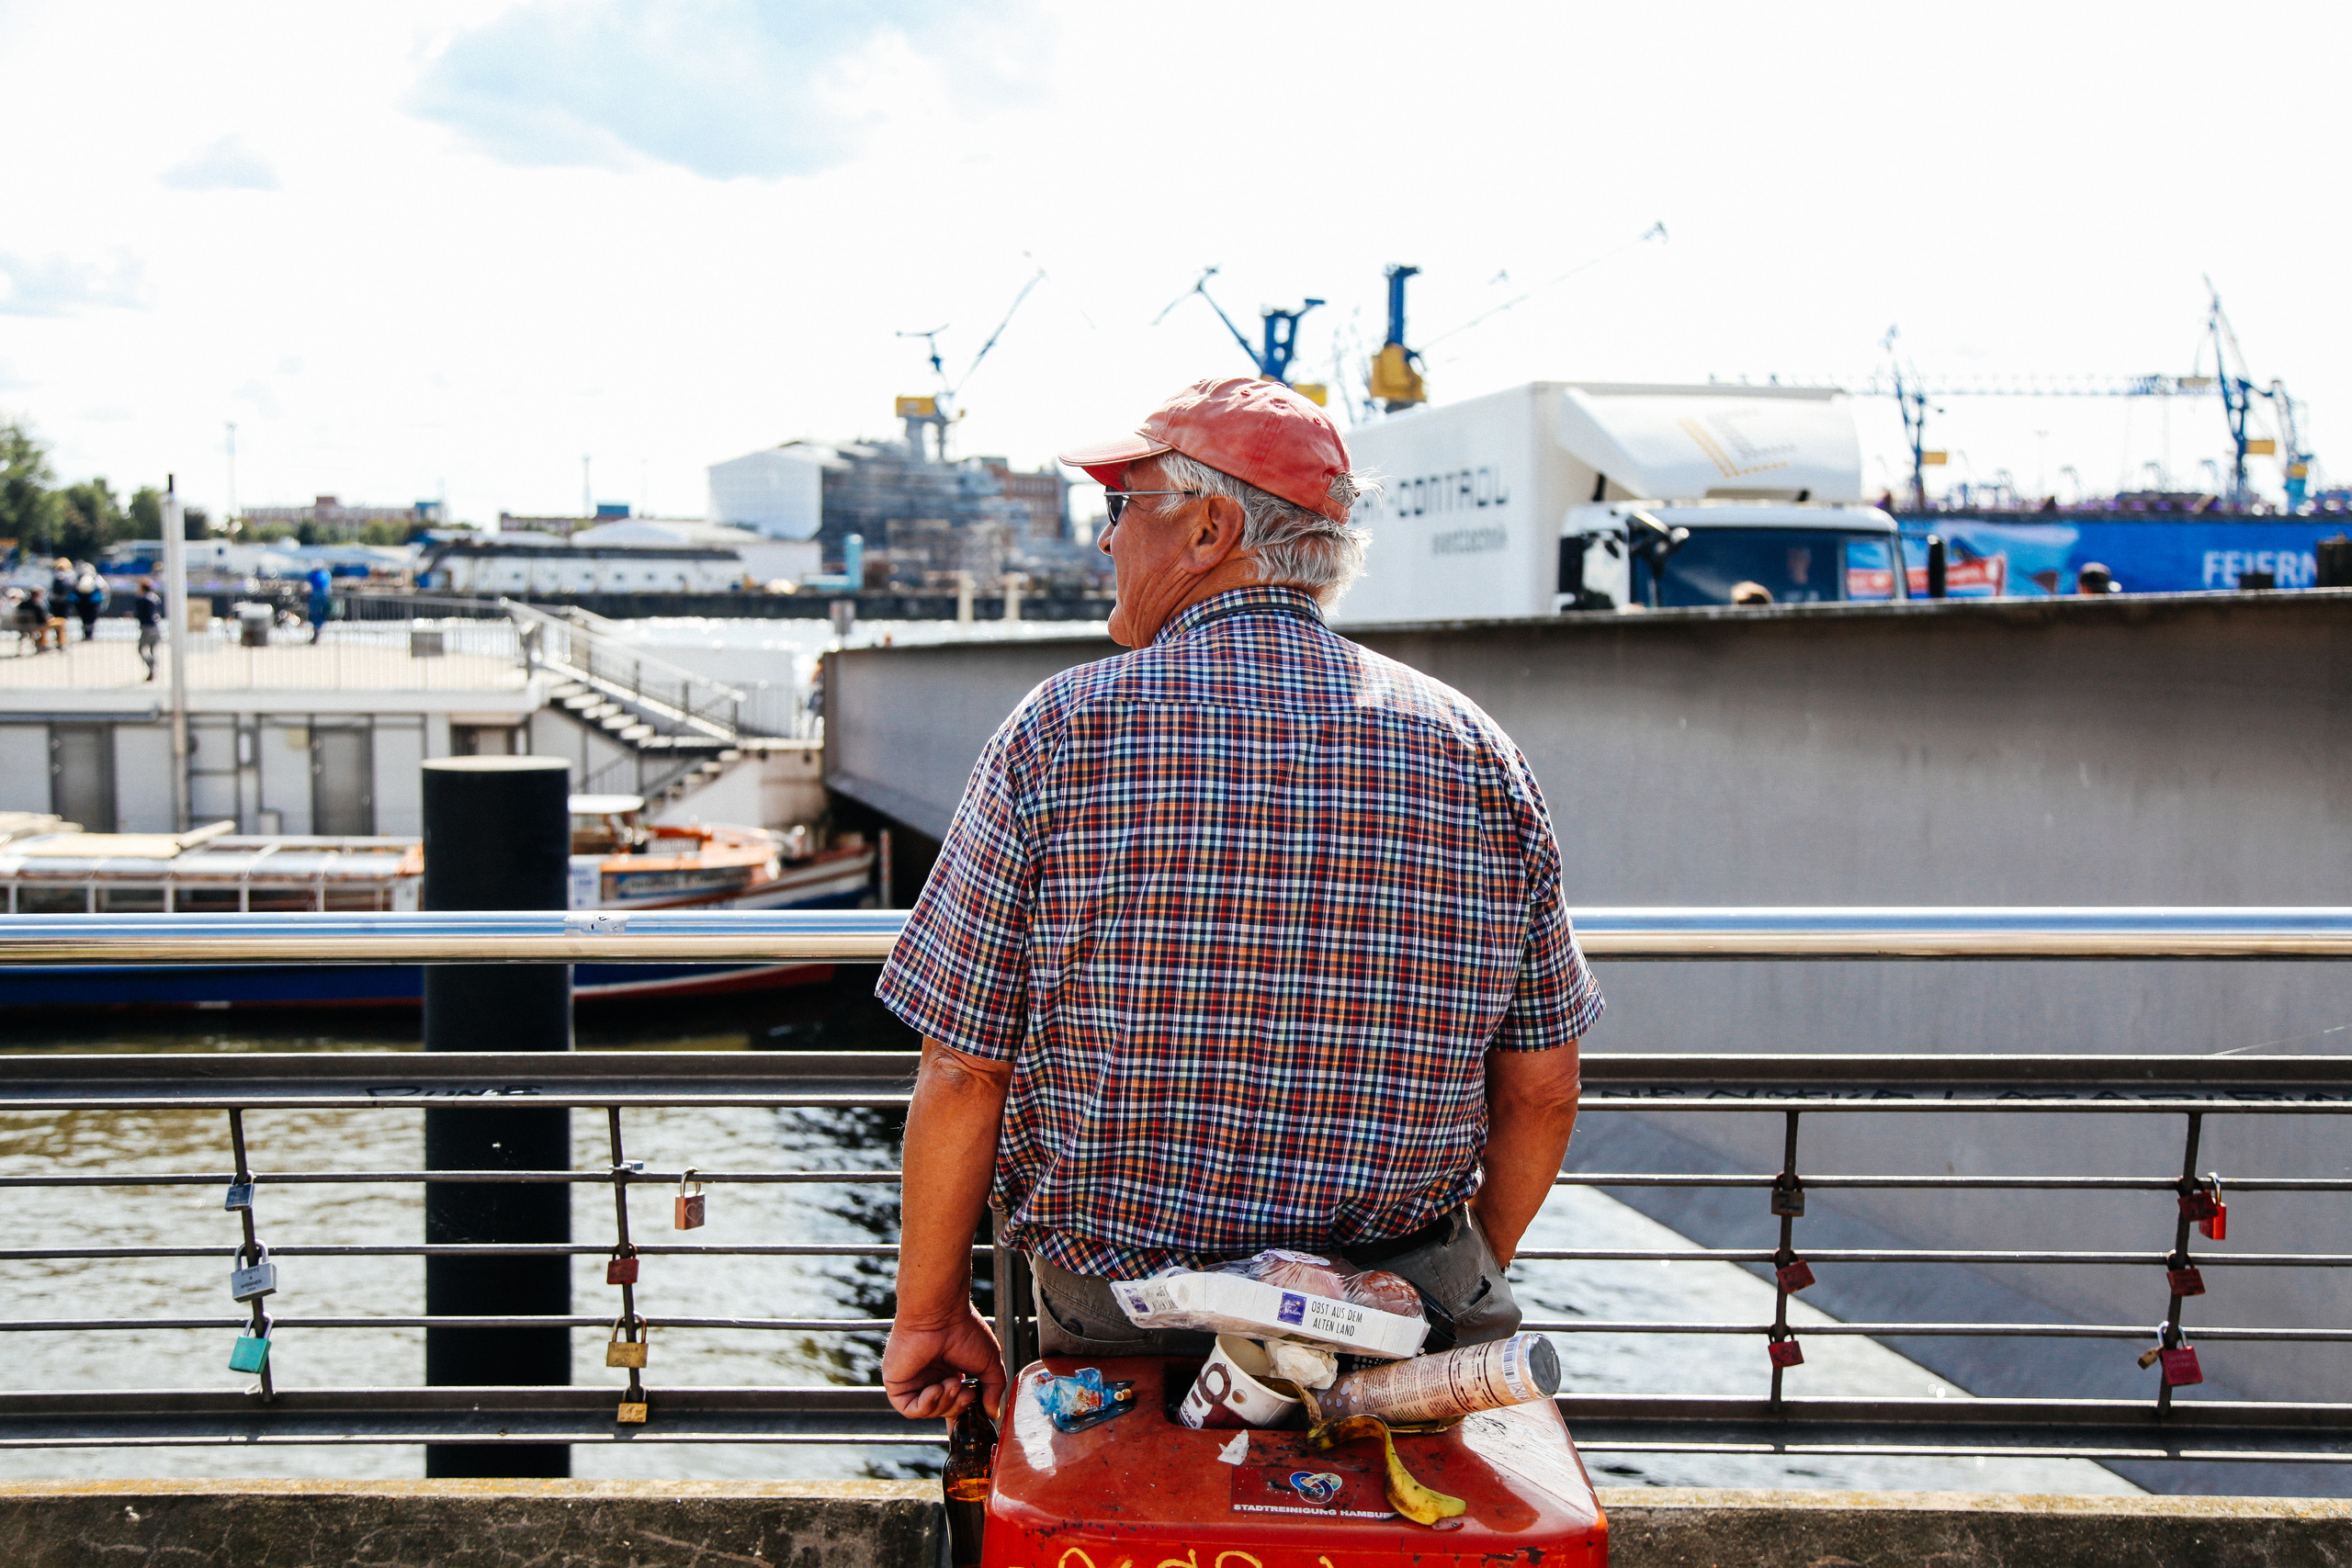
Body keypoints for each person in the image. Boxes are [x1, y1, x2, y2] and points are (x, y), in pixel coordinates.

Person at [876, 377, 1604, 1420]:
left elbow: (963, 1068)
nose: (1105, 538)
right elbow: (1541, 1090)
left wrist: (929, 1313)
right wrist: (1452, 1277)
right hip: (1399, 1313)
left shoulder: (1062, 731)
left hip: (1126, 1321)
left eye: (1122, 505)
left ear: (1210, 528)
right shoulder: (1474, 748)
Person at [132, 578, 164, 681]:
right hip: (156, 627)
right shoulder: (155, 598)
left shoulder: (142, 599)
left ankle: (151, 667)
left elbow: (139, 613)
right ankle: (154, 669)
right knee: (153, 650)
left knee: (141, 649)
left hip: (147, 628)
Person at [72, 565, 106, 640]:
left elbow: (73, 587)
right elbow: (103, 587)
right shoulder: (96, 577)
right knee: (91, 619)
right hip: (93, 602)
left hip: (81, 602)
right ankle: (89, 635)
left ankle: (86, 634)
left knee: (84, 619)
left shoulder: (79, 577)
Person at [306, 565, 334, 642]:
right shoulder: (326, 573)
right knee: (320, 614)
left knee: (317, 614)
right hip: (323, 595)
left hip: (316, 595)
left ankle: (317, 632)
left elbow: (309, 583)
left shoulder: (314, 574)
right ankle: (318, 632)